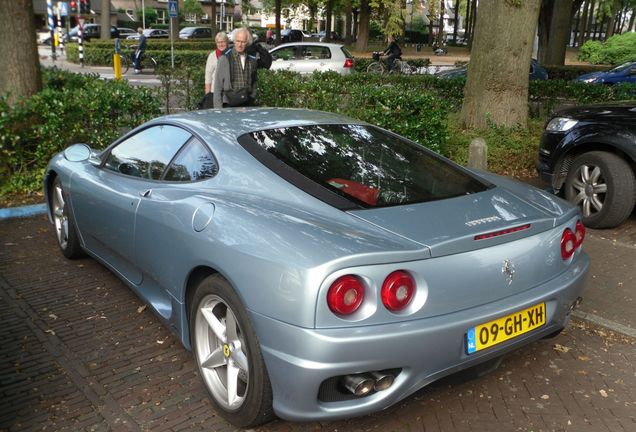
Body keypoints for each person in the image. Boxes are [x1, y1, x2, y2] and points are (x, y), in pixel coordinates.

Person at [213, 28, 258, 109]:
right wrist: (218, 110)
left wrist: (252, 97)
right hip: (229, 104)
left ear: (247, 43)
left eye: (243, 42)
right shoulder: (224, 58)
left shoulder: (252, 60)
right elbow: (217, 86)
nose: (240, 45)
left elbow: (254, 82)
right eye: (238, 41)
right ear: (234, 41)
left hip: (247, 105)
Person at [200, 32, 229, 109]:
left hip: (229, 93)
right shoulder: (212, 56)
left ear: (227, 42)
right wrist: (207, 95)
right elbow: (208, 76)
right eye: (218, 42)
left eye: (223, 42)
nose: (221, 44)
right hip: (214, 92)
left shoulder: (232, 55)